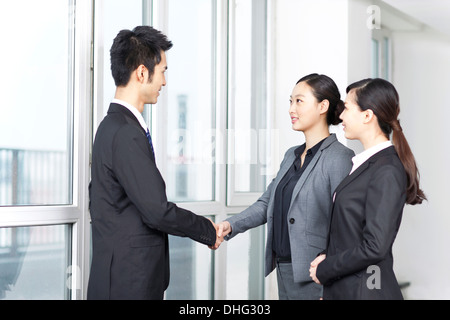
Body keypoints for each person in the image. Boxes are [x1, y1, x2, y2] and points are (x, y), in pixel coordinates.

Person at [87, 26, 219, 300]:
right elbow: (157, 211)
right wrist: (206, 230)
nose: (165, 82)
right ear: (142, 73)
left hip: (117, 275)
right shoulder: (125, 132)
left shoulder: (112, 126)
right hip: (128, 282)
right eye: (163, 71)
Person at [215, 74, 354, 300]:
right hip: (285, 269)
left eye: (299, 101)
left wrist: (334, 283)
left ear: (323, 106)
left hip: (319, 275)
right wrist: (230, 225)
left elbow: (345, 223)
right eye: (290, 101)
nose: (291, 109)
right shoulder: (291, 155)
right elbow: (266, 203)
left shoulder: (339, 157)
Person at [309, 78, 426, 300]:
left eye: (347, 108)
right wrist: (326, 259)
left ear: (367, 115)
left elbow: (375, 247)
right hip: (349, 289)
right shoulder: (365, 164)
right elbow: (350, 233)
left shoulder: (387, 170)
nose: (340, 115)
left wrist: (326, 269)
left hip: (367, 292)